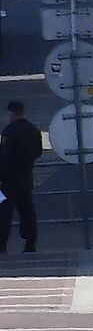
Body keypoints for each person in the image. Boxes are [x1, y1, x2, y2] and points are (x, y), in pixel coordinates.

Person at [1, 102, 44, 255]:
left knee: (4, 213)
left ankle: (2, 245)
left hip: (7, 180)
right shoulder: (33, 130)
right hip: (26, 178)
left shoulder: (9, 131)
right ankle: (30, 243)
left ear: (11, 113)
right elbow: (38, 152)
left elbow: (4, 156)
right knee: (27, 211)